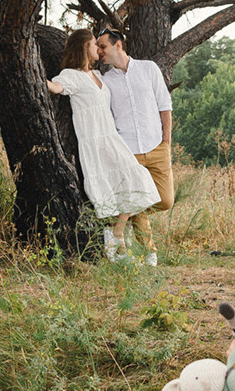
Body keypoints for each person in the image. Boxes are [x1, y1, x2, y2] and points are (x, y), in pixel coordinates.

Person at [46, 29, 162, 252]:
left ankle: (117, 232)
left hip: (111, 137)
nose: (98, 50)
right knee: (108, 191)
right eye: (93, 45)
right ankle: (117, 247)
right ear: (83, 48)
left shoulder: (98, 76)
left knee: (136, 179)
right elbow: (57, 87)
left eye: (100, 46)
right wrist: (39, 79)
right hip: (93, 140)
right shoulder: (71, 75)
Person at [94, 25, 174, 265]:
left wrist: (167, 142)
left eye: (103, 46)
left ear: (118, 45)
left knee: (165, 200)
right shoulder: (106, 81)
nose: (99, 52)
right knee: (136, 197)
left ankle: (121, 223)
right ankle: (150, 253)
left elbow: (164, 105)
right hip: (129, 152)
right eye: (97, 47)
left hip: (156, 146)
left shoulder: (149, 69)